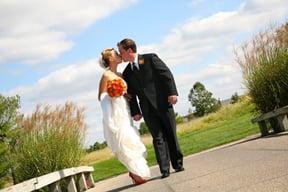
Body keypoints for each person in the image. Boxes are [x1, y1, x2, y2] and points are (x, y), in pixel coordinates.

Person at [118, 38, 184, 179]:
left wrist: (172, 92)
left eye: (121, 51)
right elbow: (131, 94)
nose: (120, 55)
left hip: (163, 104)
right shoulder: (127, 72)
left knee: (171, 134)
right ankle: (164, 169)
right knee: (158, 138)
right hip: (147, 110)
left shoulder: (149, 59)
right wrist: (135, 111)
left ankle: (178, 164)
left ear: (129, 50)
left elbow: (166, 75)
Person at [98, 48, 150, 185]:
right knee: (123, 142)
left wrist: (125, 95)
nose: (119, 55)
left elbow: (126, 94)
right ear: (110, 59)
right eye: (116, 54)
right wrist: (112, 94)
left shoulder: (121, 75)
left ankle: (136, 171)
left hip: (125, 111)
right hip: (115, 114)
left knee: (131, 140)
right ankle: (134, 172)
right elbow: (101, 96)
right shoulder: (106, 76)